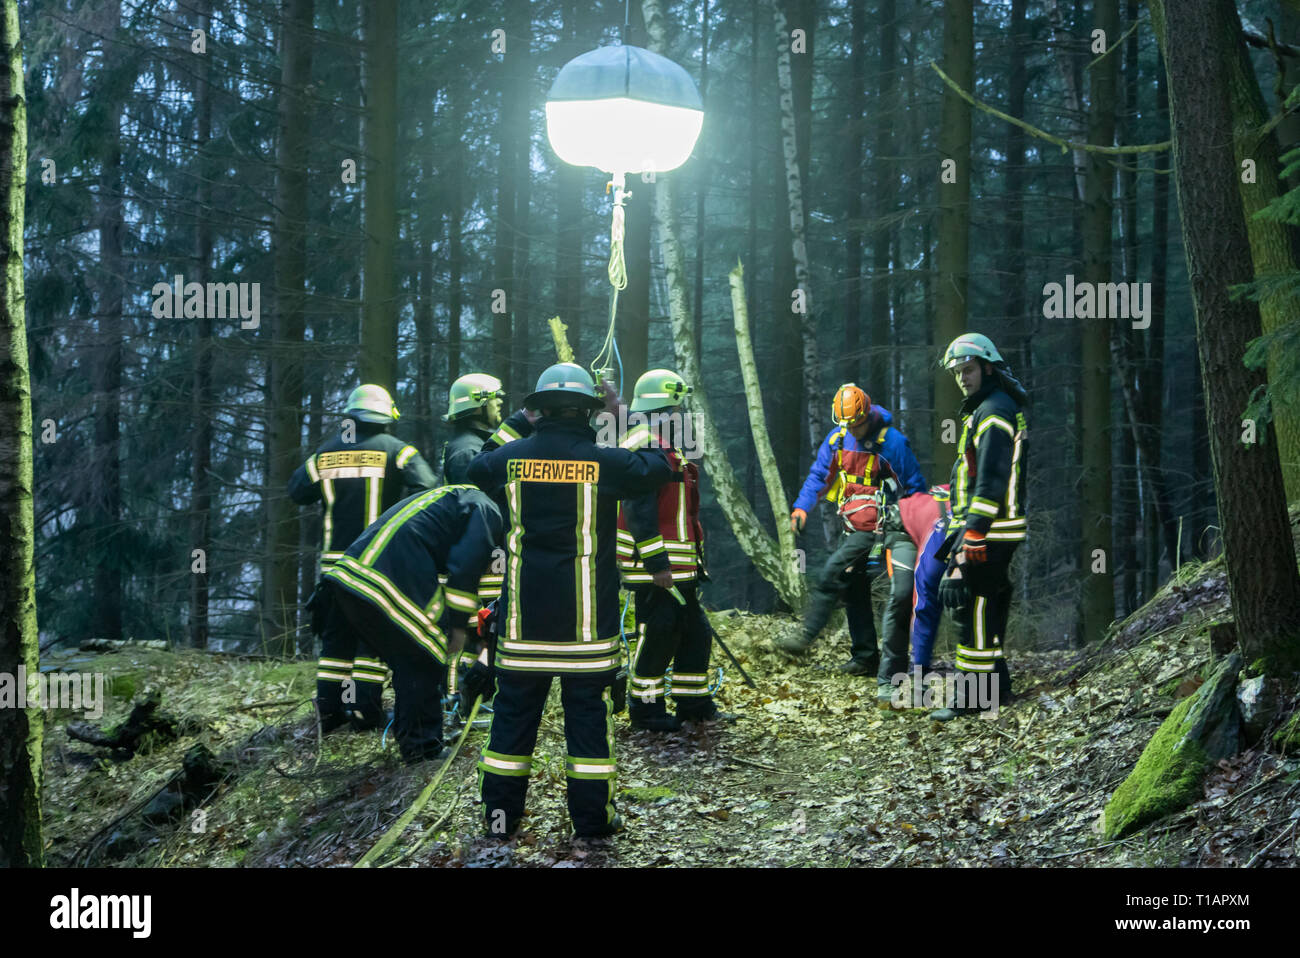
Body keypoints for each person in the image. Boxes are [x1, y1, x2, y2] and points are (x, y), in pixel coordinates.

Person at [468, 363, 672, 839]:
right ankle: (592, 822)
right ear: (588, 412)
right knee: (588, 727)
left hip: (522, 629)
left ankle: (499, 820)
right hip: (587, 633)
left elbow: (473, 466)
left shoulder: (511, 458)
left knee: (511, 724)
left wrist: (517, 422)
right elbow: (661, 466)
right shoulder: (606, 461)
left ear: (537, 411)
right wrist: (625, 416)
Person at [288, 385, 437, 733]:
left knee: (336, 641)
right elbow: (429, 490)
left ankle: (328, 712)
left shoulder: (323, 456)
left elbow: (297, 490)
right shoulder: (398, 452)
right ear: (387, 417)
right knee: (371, 637)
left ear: (350, 415)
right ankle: (364, 713)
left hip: (334, 569)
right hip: (375, 567)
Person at [321, 485, 503, 762]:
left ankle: (340, 718)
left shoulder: (455, 495)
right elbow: (464, 568)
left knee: (403, 657)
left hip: (349, 576)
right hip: (385, 578)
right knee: (424, 655)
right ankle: (422, 751)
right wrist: (455, 627)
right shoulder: (488, 510)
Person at [774, 384, 926, 705]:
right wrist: (802, 507)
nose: (852, 429)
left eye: (856, 423)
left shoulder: (892, 443)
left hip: (882, 526)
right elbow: (819, 476)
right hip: (852, 523)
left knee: (832, 572)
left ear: (867, 413)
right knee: (854, 588)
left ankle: (805, 637)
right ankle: (865, 657)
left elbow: (915, 486)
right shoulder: (838, 439)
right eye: (847, 424)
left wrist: (912, 528)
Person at [616, 369, 732, 732]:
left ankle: (693, 705)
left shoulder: (663, 444)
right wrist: (656, 563)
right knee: (659, 633)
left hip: (678, 566)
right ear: (660, 408)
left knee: (695, 633)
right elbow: (638, 510)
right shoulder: (643, 444)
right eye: (675, 408)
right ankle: (645, 711)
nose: (681, 415)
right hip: (655, 567)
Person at [930, 333, 1028, 721]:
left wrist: (972, 533)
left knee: (971, 607)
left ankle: (973, 696)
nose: (962, 379)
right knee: (987, 601)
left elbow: (991, 478)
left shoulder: (993, 412)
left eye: (967, 370)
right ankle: (997, 683)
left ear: (988, 367)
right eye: (957, 373)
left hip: (990, 528)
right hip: (988, 525)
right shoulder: (992, 407)